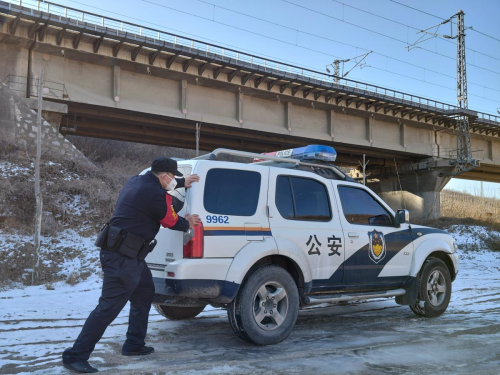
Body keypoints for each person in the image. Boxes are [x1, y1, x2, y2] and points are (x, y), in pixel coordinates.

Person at [62, 157, 201, 373]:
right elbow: (171, 221)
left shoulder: (136, 181)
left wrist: (183, 183)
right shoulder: (156, 195)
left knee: (145, 292)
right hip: (121, 258)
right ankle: (75, 356)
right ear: (163, 176)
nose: (174, 180)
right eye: (173, 177)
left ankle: (134, 344)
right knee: (108, 308)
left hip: (129, 255)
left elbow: (163, 191)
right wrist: (188, 223)